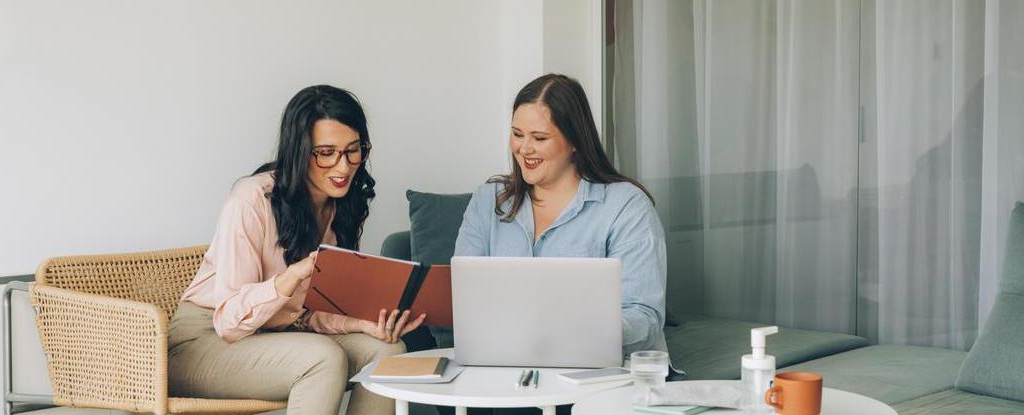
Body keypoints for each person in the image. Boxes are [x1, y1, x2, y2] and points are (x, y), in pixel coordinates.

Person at [168, 85, 426, 415]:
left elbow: (306, 314)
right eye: (326, 152)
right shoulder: (250, 200)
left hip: (279, 333)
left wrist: (360, 324)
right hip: (203, 342)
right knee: (323, 357)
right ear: (299, 151)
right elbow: (230, 321)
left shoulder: (341, 205)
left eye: (353, 150)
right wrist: (289, 279)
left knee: (388, 351)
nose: (344, 167)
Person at [455, 74, 669, 413]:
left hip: (598, 376)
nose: (524, 149)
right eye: (516, 135)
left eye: (539, 137)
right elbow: (465, 301)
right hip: (505, 371)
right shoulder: (487, 202)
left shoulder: (625, 206)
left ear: (575, 142)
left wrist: (575, 332)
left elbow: (645, 317)